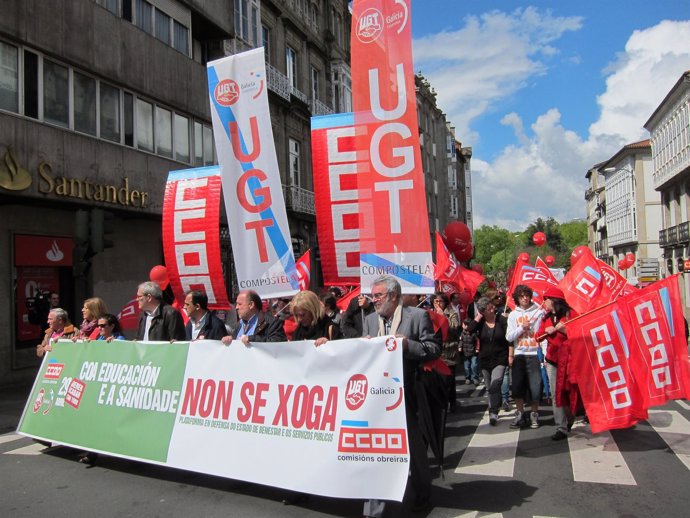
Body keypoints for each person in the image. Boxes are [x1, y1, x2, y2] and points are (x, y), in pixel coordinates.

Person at [362, 275, 440, 517]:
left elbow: (433, 350)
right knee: (376, 450)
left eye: (378, 296)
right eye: (372, 295)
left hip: (408, 395)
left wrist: (408, 345)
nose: (373, 300)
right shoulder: (368, 320)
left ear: (394, 297)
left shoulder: (417, 317)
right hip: (377, 397)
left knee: (414, 450)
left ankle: (423, 494)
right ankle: (374, 509)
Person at [537, 286, 576, 440]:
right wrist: (547, 332)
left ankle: (571, 417)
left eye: (545, 299)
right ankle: (561, 426)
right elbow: (538, 337)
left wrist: (565, 330)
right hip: (552, 360)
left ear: (553, 300)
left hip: (570, 360)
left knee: (569, 391)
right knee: (555, 394)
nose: (543, 303)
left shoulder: (570, 314)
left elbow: (580, 333)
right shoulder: (545, 318)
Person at [506, 284, 545, 429]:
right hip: (520, 354)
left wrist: (544, 355)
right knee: (517, 387)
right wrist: (522, 328)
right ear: (517, 298)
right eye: (522, 296)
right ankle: (520, 413)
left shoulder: (538, 313)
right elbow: (509, 336)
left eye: (527, 295)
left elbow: (542, 335)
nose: (525, 298)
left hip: (534, 354)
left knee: (535, 387)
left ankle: (534, 414)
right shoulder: (513, 315)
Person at [469, 297, 511, 425]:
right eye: (489, 308)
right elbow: (470, 329)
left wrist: (510, 355)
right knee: (489, 388)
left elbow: (509, 338)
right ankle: (493, 411)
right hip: (485, 359)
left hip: (500, 357)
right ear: (483, 312)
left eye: (492, 306)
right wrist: (477, 317)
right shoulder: (480, 323)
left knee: (495, 383)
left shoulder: (502, 320)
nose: (493, 309)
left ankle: (494, 411)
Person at [222, 290, 287, 345]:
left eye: (239, 304)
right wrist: (228, 340)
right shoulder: (238, 325)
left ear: (251, 305)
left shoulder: (271, 323)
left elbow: (279, 344)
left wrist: (252, 339)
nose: (236, 307)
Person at [433, 293, 460, 411]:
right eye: (436, 301)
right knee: (438, 381)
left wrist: (442, 316)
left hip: (449, 352)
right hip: (436, 353)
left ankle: (452, 402)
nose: (438, 304)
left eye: (440, 301)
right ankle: (441, 403)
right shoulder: (429, 313)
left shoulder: (451, 312)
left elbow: (454, 327)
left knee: (449, 381)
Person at [460, 318, 480, 385]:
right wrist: (459, 347)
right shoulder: (462, 333)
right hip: (465, 352)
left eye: (464, 324)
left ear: (467, 325)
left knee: (474, 365)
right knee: (466, 367)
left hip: (473, 352)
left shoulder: (473, 333)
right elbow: (461, 341)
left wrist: (477, 349)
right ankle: (467, 378)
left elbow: (477, 341)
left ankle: (475, 378)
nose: (462, 325)